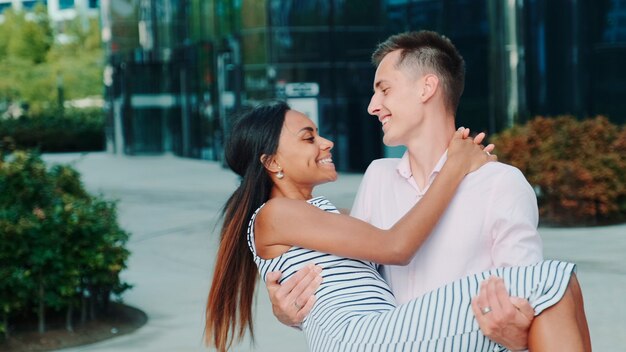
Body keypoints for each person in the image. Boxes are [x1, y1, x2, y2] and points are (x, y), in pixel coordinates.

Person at [264, 31, 591, 351]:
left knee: (553, 282)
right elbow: (356, 279)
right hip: (390, 341)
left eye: (384, 90)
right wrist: (290, 310)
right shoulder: (378, 177)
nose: (372, 106)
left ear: (427, 87)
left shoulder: (500, 183)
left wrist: (518, 328)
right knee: (557, 280)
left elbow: (524, 307)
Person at [205, 101, 589, 352]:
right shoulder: (276, 213)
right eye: (309, 138)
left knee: (555, 288)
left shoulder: (319, 212)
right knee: (548, 281)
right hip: (362, 338)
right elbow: (396, 247)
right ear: (273, 163)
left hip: (379, 333)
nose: (326, 142)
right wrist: (454, 168)